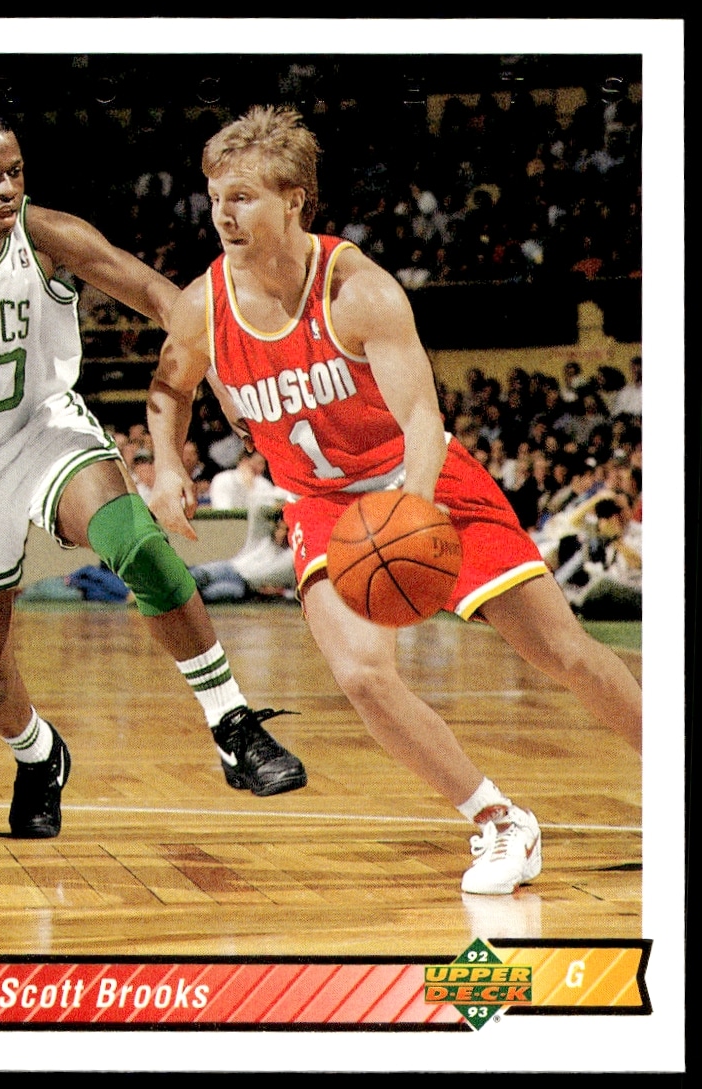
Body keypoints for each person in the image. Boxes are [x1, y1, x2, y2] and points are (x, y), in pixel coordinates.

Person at [146, 105, 641, 896]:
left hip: (421, 478)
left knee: (564, 653)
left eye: (242, 197)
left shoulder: (360, 291)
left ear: (295, 199)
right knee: (362, 675)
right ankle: (499, 820)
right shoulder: (203, 304)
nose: (223, 215)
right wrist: (168, 466)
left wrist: (410, 516)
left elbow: (420, 420)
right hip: (320, 503)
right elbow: (170, 388)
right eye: (215, 198)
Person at [0, 108, 307, 840]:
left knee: (138, 543)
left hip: (40, 431)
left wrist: (218, 373)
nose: (7, 189)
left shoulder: (43, 235)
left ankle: (232, 724)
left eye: (15, 172)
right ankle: (40, 754)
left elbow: (161, 296)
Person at [190, 499, 297, 603]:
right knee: (197, 576)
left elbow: (294, 590)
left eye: (288, 530)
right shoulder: (262, 538)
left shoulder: (292, 558)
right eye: (280, 528)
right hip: (230, 568)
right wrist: (283, 507)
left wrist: (279, 591)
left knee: (206, 595)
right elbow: (258, 508)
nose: (282, 533)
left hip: (244, 586)